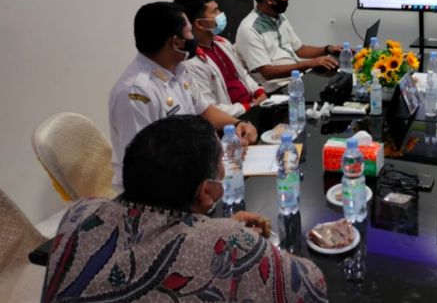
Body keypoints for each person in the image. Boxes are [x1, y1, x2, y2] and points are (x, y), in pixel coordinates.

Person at [42, 115, 328, 302]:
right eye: (222, 168)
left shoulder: (80, 213)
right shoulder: (231, 245)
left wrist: (216, 229)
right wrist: (235, 238)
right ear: (207, 192)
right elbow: (313, 286)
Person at [108, 2, 258, 192]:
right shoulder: (136, 93)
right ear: (176, 42)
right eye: (189, 32)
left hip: (194, 174)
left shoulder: (178, 68)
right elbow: (145, 165)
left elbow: (204, 110)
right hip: (157, 192)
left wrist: (237, 124)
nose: (193, 37)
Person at [235, 0, 341, 91]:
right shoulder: (249, 29)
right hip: (278, 88)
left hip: (297, 78)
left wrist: (328, 49)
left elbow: (300, 50)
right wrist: (310, 63)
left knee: (338, 81)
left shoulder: (279, 17)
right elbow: (267, 72)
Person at [174, 0, 267, 117]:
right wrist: (248, 107)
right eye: (215, 11)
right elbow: (210, 108)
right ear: (199, 23)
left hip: (253, 105)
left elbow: (241, 73)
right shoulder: (190, 62)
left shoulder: (222, 43)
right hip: (234, 118)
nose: (221, 14)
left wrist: (258, 91)